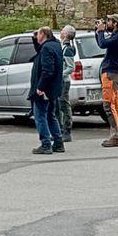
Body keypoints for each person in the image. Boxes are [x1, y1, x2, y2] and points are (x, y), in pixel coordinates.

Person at [27, 26, 66, 155]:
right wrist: (34, 39)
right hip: (54, 88)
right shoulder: (54, 46)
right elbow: (40, 49)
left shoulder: (47, 48)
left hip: (45, 89)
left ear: (43, 34)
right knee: (51, 115)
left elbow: (48, 70)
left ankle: (46, 143)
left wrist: (41, 87)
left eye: (38, 34)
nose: (37, 36)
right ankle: (58, 142)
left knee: (40, 116)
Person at [95, 14, 118, 147]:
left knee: (108, 105)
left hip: (110, 73)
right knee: (115, 104)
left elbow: (103, 44)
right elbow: (100, 43)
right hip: (112, 73)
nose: (107, 23)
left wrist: (101, 31)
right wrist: (97, 31)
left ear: (115, 24)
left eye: (109, 21)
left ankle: (116, 135)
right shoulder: (117, 37)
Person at [56, 25, 78, 143]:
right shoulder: (63, 47)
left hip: (64, 81)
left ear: (65, 35)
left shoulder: (67, 49)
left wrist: (60, 74)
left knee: (64, 105)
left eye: (62, 31)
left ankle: (66, 130)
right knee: (59, 105)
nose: (60, 32)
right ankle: (59, 130)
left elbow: (71, 67)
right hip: (61, 81)